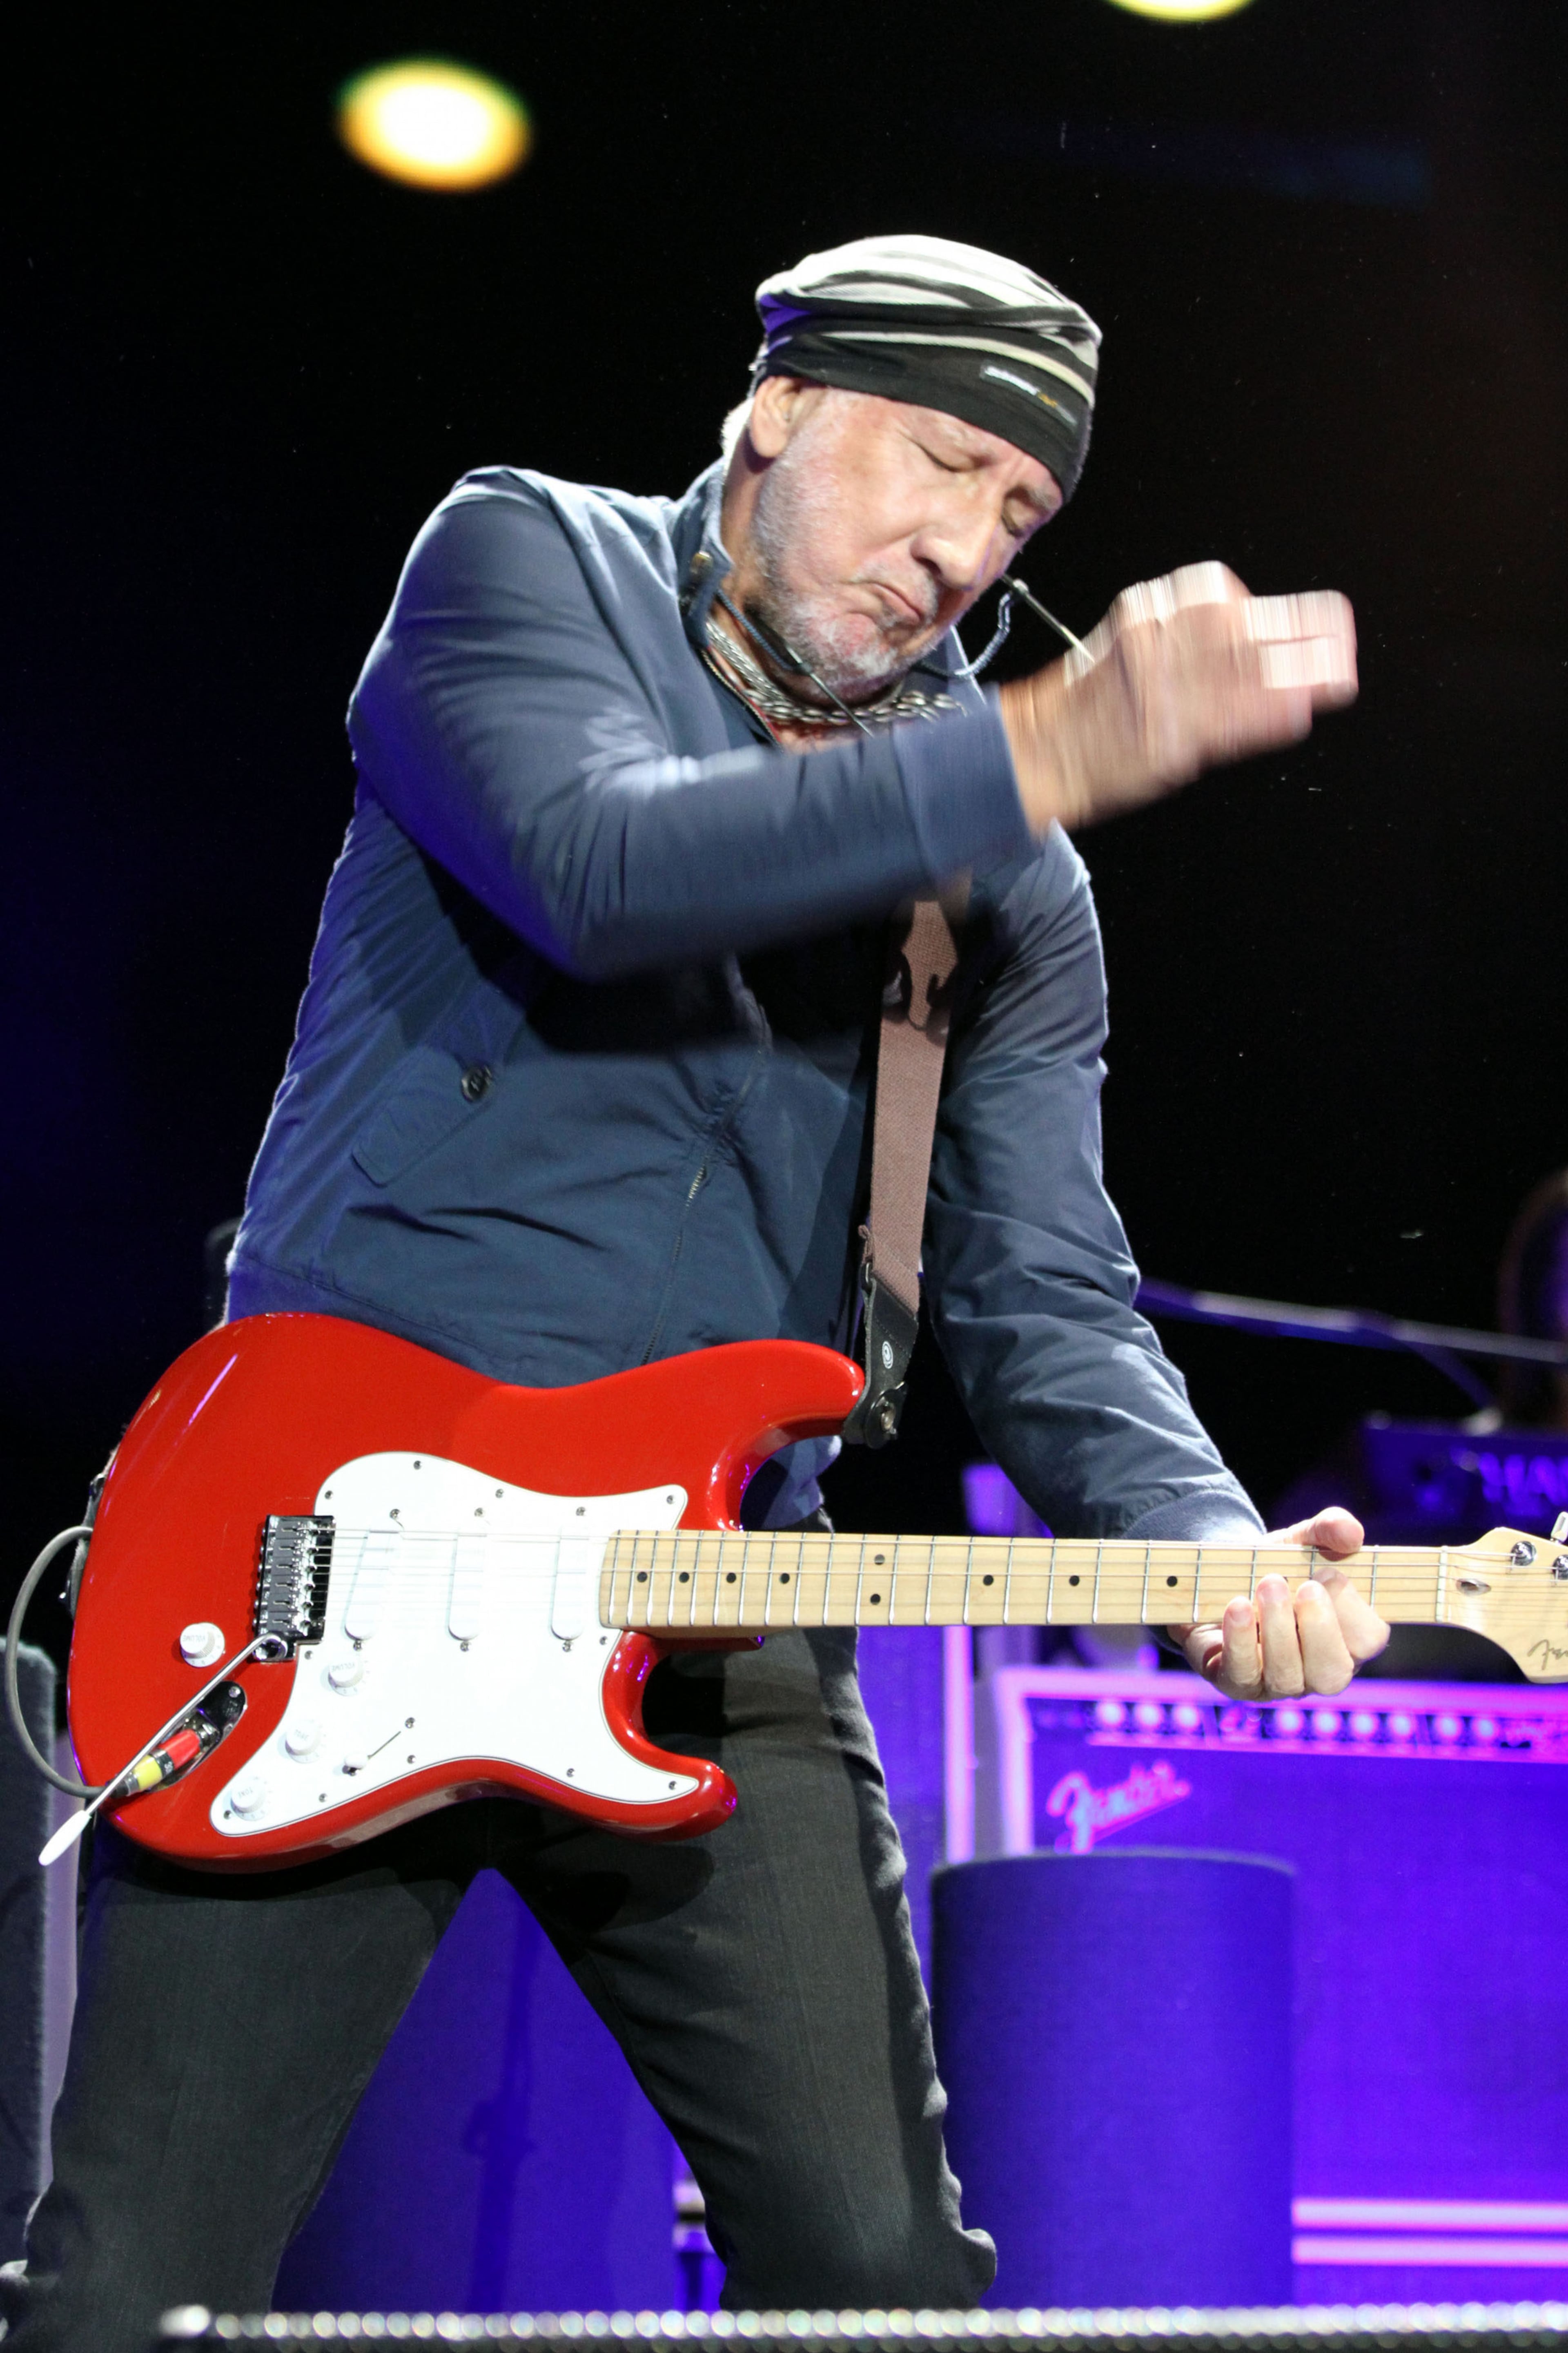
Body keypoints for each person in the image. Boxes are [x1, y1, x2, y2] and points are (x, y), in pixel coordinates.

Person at [7, 234, 1385, 2349]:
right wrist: (1043, 748)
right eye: (936, 461)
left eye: (1022, 513)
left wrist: (1205, 1544)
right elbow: (605, 865)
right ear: (776, 414)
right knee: (132, 2289)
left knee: (882, 2284)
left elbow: (1040, 1290)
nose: (965, 547)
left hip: (718, 1602)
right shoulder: (524, 564)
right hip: (316, 1557)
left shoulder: (1011, 872)